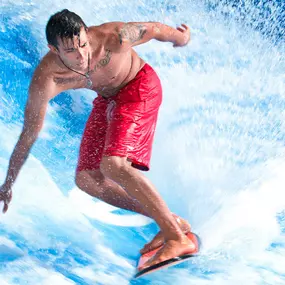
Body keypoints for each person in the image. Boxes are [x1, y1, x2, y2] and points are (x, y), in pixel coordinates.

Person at [0, 9, 195, 270]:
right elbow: (29, 133)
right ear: (54, 49)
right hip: (108, 100)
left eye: (83, 43)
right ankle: (171, 221)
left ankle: (176, 238)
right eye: (70, 50)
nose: (82, 54)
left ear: (87, 33)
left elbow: (154, 29)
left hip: (139, 86)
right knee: (87, 179)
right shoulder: (47, 78)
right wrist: (8, 183)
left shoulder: (113, 37)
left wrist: (179, 39)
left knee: (113, 165)